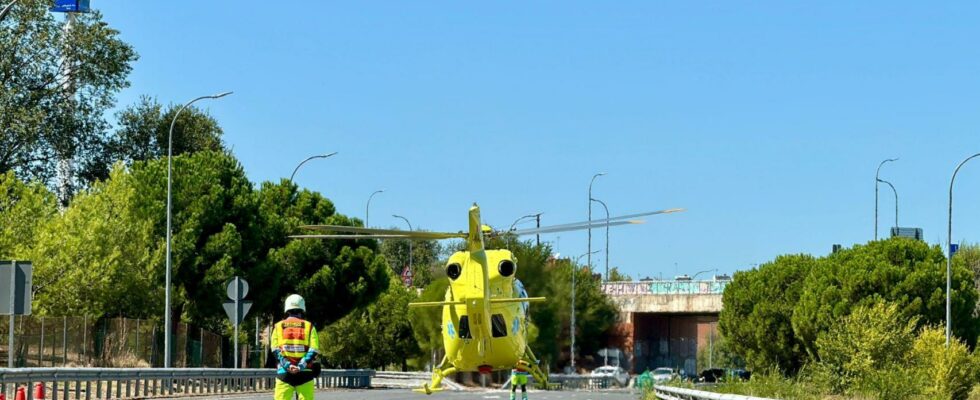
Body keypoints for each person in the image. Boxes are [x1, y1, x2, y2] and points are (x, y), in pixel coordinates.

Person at [271, 294, 320, 400]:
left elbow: (275, 350)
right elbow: (314, 349)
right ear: (302, 309)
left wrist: (288, 365)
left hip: (284, 373)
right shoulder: (309, 326)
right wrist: (301, 365)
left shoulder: (278, 326)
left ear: (287, 309)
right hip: (305, 373)